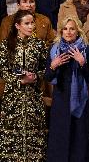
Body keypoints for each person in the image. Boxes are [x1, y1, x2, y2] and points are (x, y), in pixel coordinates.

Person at [45, 16, 89, 162]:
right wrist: (53, 65)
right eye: (65, 29)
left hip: (80, 100)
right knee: (60, 137)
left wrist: (82, 63)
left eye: (72, 29)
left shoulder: (86, 49)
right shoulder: (54, 49)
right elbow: (48, 77)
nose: (68, 32)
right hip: (61, 100)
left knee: (79, 137)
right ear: (61, 31)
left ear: (78, 31)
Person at [0, 10, 48, 161]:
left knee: (35, 136)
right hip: (13, 99)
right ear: (17, 26)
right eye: (27, 23)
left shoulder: (39, 45)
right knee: (12, 137)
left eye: (32, 23)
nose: (31, 26)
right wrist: (20, 81)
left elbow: (44, 69)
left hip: (33, 98)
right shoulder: (6, 45)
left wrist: (36, 77)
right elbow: (4, 71)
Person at [0, 0, 55, 105]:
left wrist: (36, 54)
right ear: (18, 5)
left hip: (38, 75)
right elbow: (4, 51)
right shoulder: (7, 22)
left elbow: (51, 43)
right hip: (14, 78)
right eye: (25, 2)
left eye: (32, 2)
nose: (29, 5)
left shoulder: (44, 20)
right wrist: (21, 75)